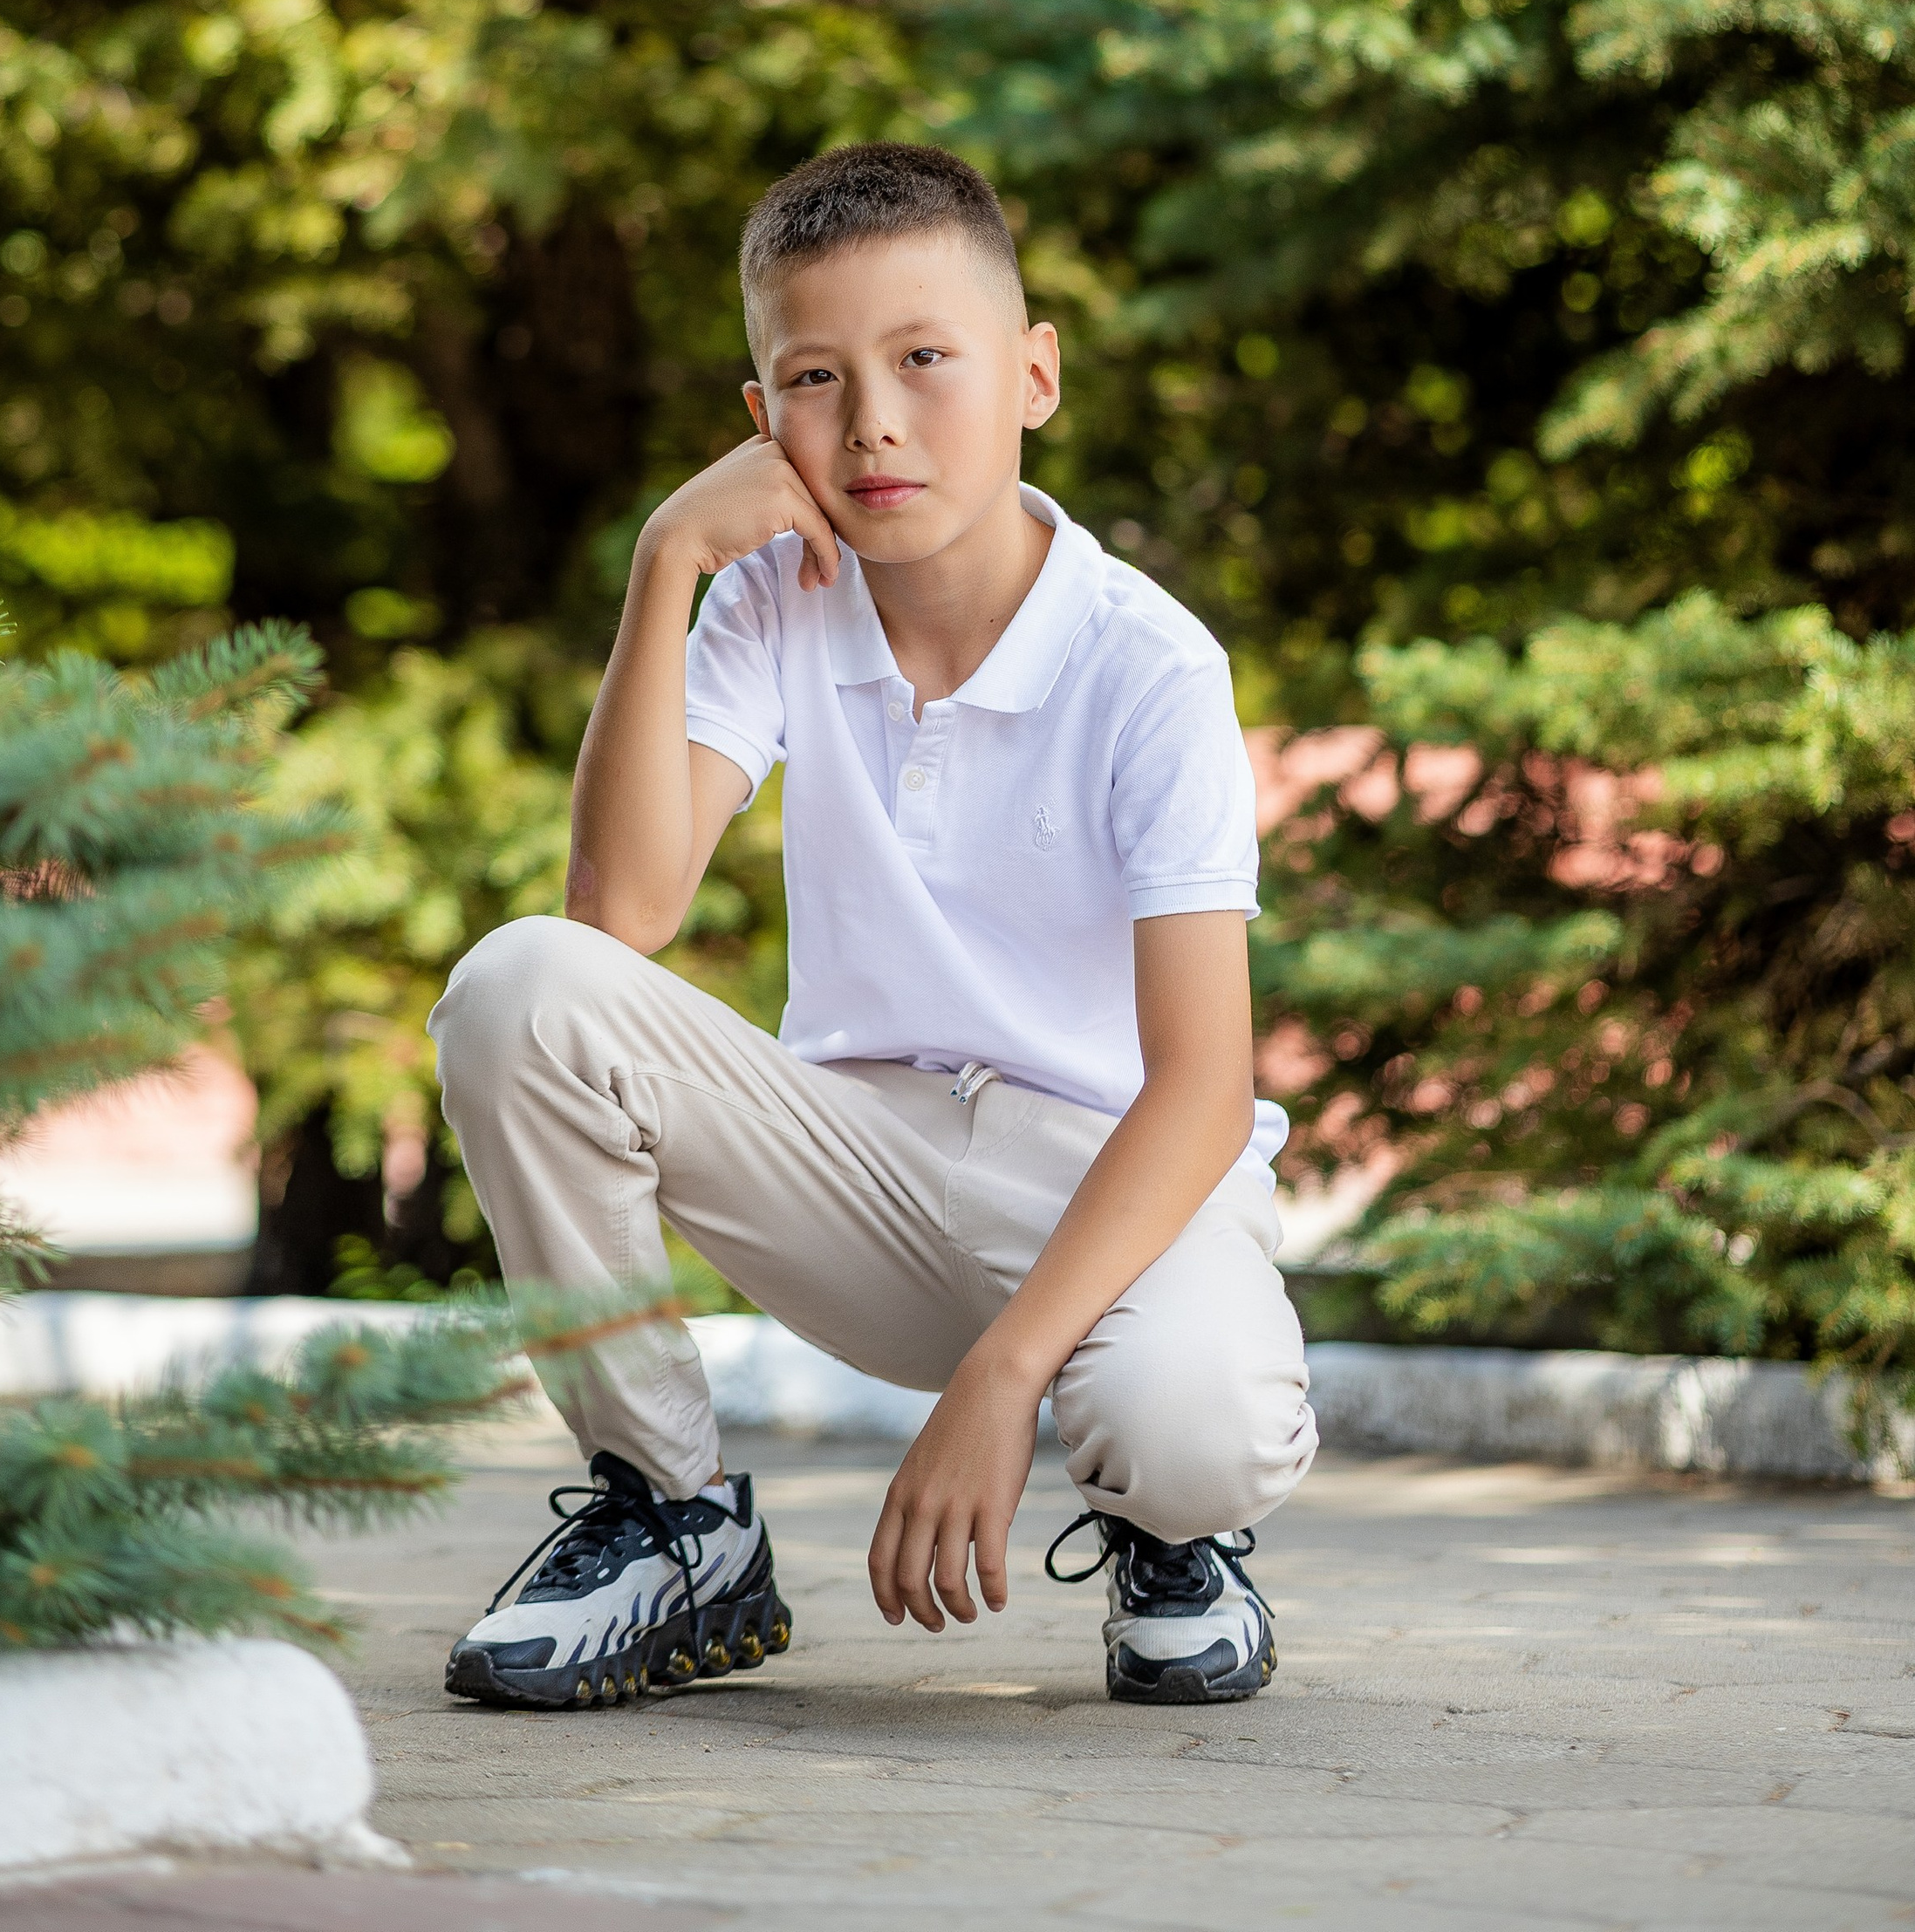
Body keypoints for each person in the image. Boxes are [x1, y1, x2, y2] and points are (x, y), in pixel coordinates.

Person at [432, 141, 1315, 1715]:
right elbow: (616, 916)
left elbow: (1199, 1086)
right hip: (863, 1170)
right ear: (761, 418)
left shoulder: (1149, 666)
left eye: (925, 360)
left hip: (1111, 1193)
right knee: (522, 989)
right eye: (818, 379)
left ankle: (1177, 1541)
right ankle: (675, 1518)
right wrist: (667, 562)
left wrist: (1000, 1385)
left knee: (1198, 1428)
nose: (876, 422)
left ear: (1034, 374)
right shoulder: (769, 596)